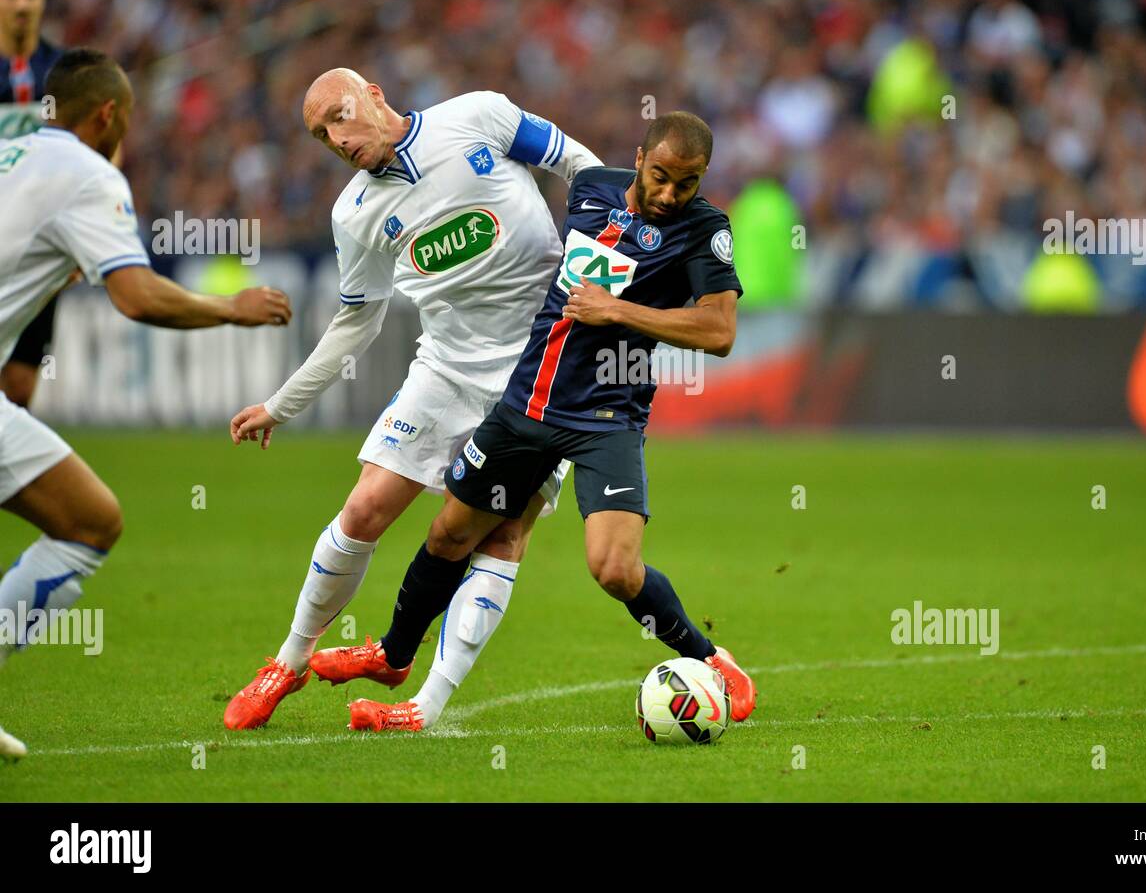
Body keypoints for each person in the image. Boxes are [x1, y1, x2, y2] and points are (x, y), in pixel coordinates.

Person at [338, 112, 757, 732]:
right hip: (526, 403)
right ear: (640, 157)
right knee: (449, 536)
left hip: (606, 416)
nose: (672, 194)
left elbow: (719, 331)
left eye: (687, 183)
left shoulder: (704, 230)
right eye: (662, 176)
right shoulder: (591, 189)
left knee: (613, 568)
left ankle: (710, 658)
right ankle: (396, 662)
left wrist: (617, 310)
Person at [221, 68, 603, 730]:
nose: (335, 139)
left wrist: (596, 253)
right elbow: (356, 320)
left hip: (538, 370)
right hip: (445, 371)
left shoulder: (478, 115)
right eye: (320, 135)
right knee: (364, 508)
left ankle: (424, 703)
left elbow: (578, 163)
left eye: (338, 116)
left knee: (503, 533)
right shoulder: (354, 213)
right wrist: (282, 403)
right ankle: (288, 660)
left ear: (372, 92)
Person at [0, 48, 292, 759]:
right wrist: (231, 306)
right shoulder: (90, 175)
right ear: (107, 116)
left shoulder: (13, 154)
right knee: (89, 521)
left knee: (90, 517)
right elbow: (135, 295)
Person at [0, 0, 65, 408]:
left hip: (39, 253)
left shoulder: (64, 73)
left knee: (20, 389)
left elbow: (101, 147)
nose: (22, 4)